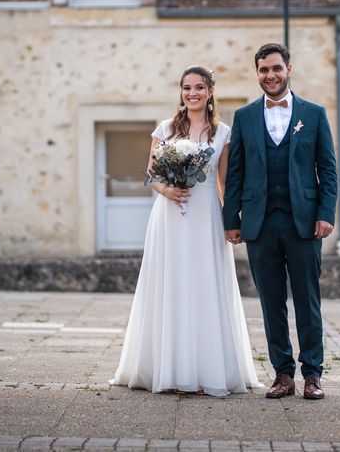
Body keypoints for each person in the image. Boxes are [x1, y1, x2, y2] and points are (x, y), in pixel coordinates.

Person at [111, 65, 259, 396]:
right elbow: (151, 174)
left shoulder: (223, 132)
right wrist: (169, 191)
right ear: (181, 92)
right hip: (169, 215)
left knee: (204, 284)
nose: (192, 93)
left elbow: (223, 182)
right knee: (171, 283)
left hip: (205, 214)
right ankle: (167, 369)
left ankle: (208, 370)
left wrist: (231, 221)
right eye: (186, 88)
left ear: (210, 92)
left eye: (199, 88)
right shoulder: (165, 129)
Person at [223, 43, 337, 400]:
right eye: (263, 70)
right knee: (271, 303)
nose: (270, 75)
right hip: (259, 224)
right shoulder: (244, 117)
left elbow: (328, 169)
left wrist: (325, 213)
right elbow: (235, 172)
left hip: (304, 223)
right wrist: (232, 219)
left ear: (289, 68)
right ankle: (282, 374)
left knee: (307, 301)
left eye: (276, 68)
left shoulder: (314, 114)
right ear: (256, 73)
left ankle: (313, 375)